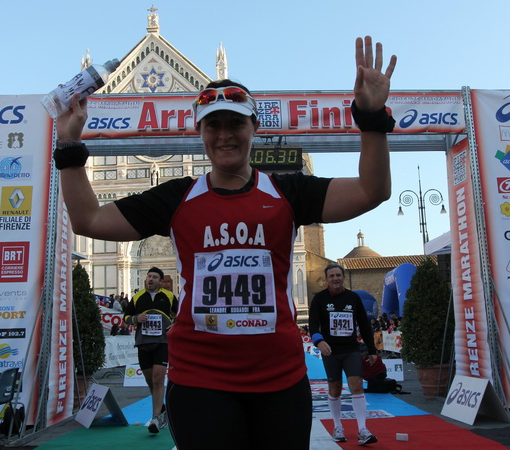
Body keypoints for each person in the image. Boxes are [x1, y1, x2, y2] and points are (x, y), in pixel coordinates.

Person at [54, 35, 396, 449]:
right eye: (213, 125)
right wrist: (69, 145)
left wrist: (371, 118)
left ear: (254, 128)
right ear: (199, 131)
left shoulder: (287, 192)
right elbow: (88, 219)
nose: (224, 135)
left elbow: (372, 190)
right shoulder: (177, 197)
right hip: (200, 382)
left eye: (235, 124)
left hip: (279, 381)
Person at [308, 263, 380, 446]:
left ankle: (362, 430)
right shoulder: (319, 299)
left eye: (338, 275)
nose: (335, 279)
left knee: (356, 385)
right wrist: (319, 341)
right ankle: (337, 426)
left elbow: (364, 325)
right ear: (326, 280)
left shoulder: (353, 298)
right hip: (330, 351)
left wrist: (372, 350)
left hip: (351, 350)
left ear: (343, 277)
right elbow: (313, 324)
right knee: (335, 388)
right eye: (331, 276)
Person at [123, 267, 177, 433]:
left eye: (154, 277)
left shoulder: (169, 296)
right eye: (149, 276)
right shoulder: (137, 297)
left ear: (160, 282)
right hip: (143, 343)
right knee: (150, 381)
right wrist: (136, 318)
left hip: (162, 342)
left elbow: (180, 314)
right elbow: (126, 318)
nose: (150, 279)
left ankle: (155, 418)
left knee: (158, 379)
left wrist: (175, 325)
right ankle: (161, 408)